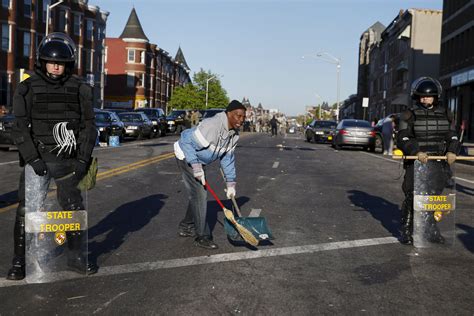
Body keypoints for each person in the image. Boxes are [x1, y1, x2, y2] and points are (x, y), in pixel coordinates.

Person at [6, 32, 98, 280]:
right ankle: (19, 261)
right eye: (51, 61)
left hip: (69, 161)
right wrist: (32, 159)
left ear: (68, 64)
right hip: (38, 160)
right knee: (27, 211)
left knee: (73, 209)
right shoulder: (27, 88)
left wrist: (83, 160)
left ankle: (77, 257)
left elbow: (89, 127)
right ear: (42, 61)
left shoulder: (81, 89)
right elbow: (19, 126)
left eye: (61, 63)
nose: (56, 66)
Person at [174, 100, 245, 249]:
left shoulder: (234, 135)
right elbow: (186, 141)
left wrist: (230, 183)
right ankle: (203, 236)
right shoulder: (212, 126)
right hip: (186, 155)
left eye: (243, 117)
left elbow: (227, 159)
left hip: (200, 160)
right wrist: (196, 166)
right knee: (200, 194)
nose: (241, 119)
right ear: (228, 114)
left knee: (197, 193)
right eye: (238, 116)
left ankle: (186, 226)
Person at [396, 77, 459, 245]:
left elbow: (452, 135)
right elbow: (402, 137)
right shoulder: (409, 114)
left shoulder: (446, 113)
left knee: (433, 197)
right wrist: (415, 151)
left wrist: (452, 150)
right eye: (421, 96)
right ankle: (407, 230)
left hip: (438, 161)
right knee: (411, 195)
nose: (425, 99)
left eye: (428, 96)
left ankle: (431, 229)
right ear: (417, 97)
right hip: (416, 161)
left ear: (435, 97)